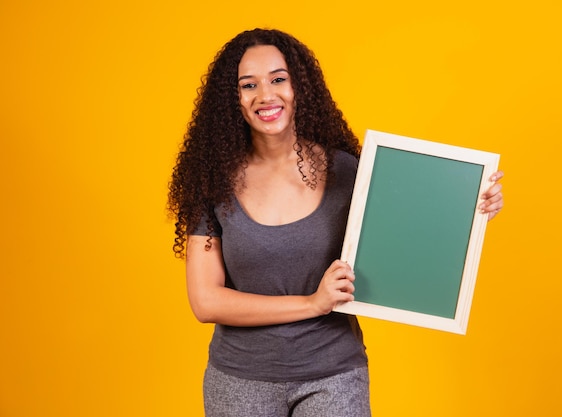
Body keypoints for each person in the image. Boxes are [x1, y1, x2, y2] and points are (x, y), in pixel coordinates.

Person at [168, 28, 504, 417]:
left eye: (279, 79)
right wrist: (312, 304)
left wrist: (471, 205)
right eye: (249, 85)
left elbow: (406, 240)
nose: (266, 95)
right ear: (234, 100)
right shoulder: (211, 182)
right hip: (239, 380)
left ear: (300, 88)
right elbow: (206, 301)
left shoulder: (345, 171)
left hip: (334, 376)